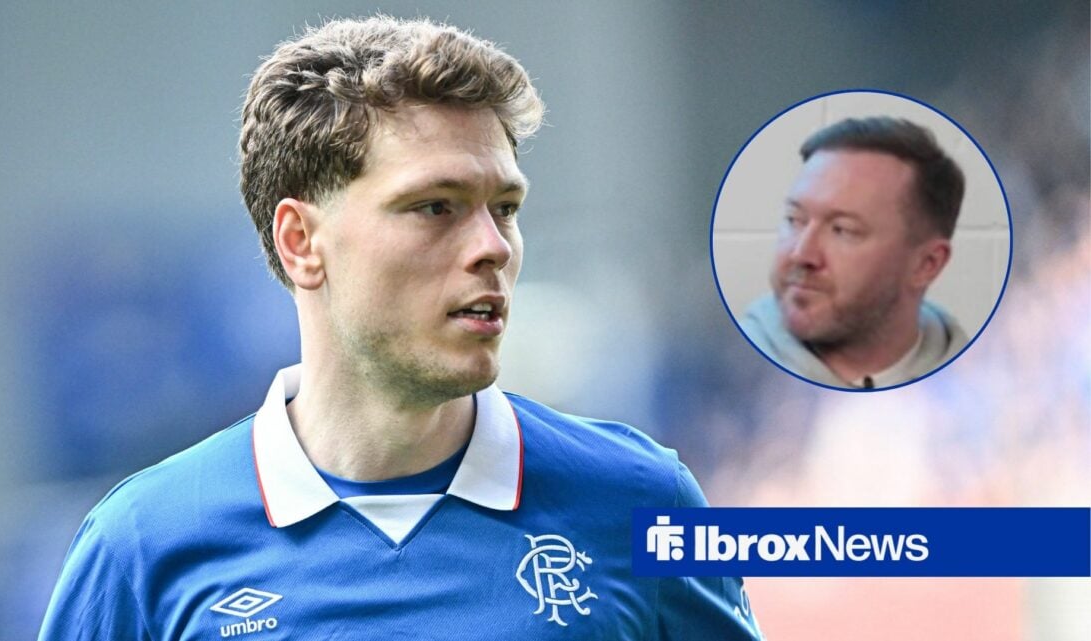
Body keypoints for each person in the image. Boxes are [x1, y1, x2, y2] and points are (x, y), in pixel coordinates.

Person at [38, 16, 763, 640]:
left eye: (505, 207)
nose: (494, 246)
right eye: (435, 206)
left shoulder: (639, 501)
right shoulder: (142, 544)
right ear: (301, 241)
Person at [741, 116, 970, 389]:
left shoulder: (986, 402)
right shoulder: (717, 390)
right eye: (794, 220)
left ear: (926, 265)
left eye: (842, 230)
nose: (801, 254)